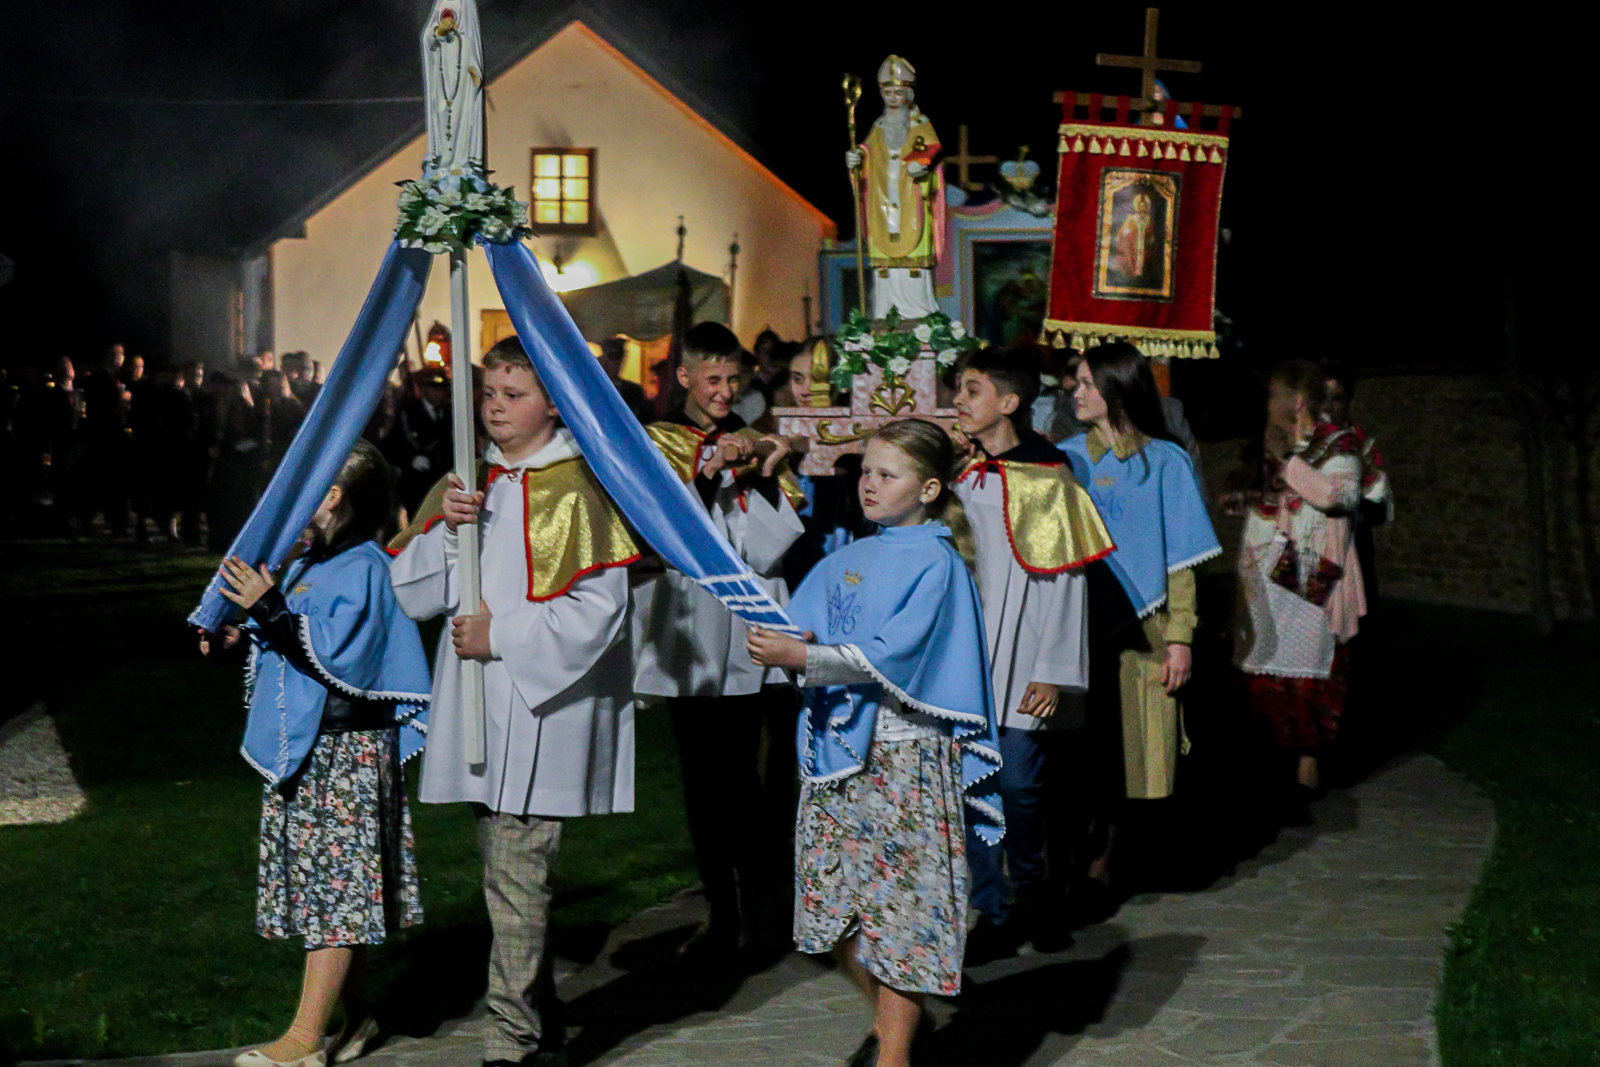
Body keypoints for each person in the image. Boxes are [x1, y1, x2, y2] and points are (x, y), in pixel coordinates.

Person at [390, 336, 639, 1067]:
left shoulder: (579, 485)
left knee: (516, 874)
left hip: (540, 706)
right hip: (479, 702)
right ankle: (541, 1019)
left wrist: (501, 635)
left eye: (514, 394)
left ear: (553, 401)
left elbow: (600, 609)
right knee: (511, 875)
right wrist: (447, 530)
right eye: (490, 394)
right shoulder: (468, 480)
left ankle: (511, 1039)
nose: (496, 408)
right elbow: (414, 594)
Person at [747, 418, 1002, 1067]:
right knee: (837, 912)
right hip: (839, 757)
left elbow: (893, 654)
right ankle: (897, 1030)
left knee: (902, 913)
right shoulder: (847, 558)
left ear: (929, 488)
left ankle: (894, 1055)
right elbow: (800, 630)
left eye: (888, 474)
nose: (870, 484)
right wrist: (783, 643)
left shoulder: (938, 563)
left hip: (906, 758)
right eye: (866, 471)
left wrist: (805, 657)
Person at [201, 438, 431, 1067]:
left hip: (346, 753)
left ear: (332, 495)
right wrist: (237, 631)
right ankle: (358, 1018)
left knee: (338, 894)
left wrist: (269, 606)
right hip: (310, 752)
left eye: (306, 487)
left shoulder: (365, 566)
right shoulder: (307, 562)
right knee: (332, 891)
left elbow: (336, 655)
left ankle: (305, 1040)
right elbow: (284, 640)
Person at [634, 321, 806, 960]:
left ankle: (765, 910)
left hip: (751, 630)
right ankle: (720, 911)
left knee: (744, 778)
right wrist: (708, 474)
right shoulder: (658, 441)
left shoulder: (754, 439)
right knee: (703, 782)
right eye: (713, 379)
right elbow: (664, 530)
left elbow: (773, 543)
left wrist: (760, 472)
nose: (725, 391)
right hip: (693, 632)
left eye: (734, 379)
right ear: (684, 376)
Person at [949, 347, 1113, 957]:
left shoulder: (1045, 476)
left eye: (972, 390)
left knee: (1019, 787)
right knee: (975, 789)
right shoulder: (961, 475)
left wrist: (1051, 669)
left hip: (1022, 659)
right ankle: (992, 912)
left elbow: (1064, 580)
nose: (959, 401)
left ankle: (1035, 893)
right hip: (966, 660)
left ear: (1009, 402)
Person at [1058, 343, 1220, 893]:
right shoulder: (1065, 459)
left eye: (1087, 383)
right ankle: (1078, 852)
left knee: (1134, 748)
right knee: (1083, 748)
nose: (1076, 392)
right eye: (1076, 382)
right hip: (1077, 628)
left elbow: (1181, 560)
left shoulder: (1165, 461)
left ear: (1118, 388)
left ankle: (1112, 857)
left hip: (1145, 628)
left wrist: (1181, 638)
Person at [1233, 359, 1366, 795]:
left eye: (1275, 395)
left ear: (1295, 400)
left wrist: (1287, 460)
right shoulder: (1274, 448)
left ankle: (1307, 772)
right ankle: (1271, 770)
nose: (1268, 404)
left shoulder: (1338, 447)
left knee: (1309, 670)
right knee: (1266, 667)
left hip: (1314, 572)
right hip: (1273, 568)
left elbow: (1334, 495)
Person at [384, 368, 452, 518]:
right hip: (417, 486)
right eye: (435, 388)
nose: (439, 393)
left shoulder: (449, 413)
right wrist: (410, 460)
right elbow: (390, 448)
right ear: (424, 389)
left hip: (443, 482)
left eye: (442, 389)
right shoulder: (408, 413)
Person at [596, 338, 651, 424]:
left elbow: (644, 419)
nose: (617, 364)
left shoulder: (634, 390)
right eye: (612, 359)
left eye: (619, 360)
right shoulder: (593, 388)